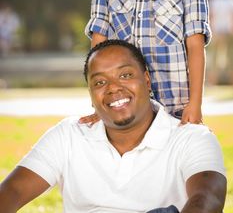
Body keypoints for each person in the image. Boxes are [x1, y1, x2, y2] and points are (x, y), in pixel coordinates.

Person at [0, 40, 226, 213]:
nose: (113, 88)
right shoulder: (68, 134)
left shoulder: (192, 138)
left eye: (125, 75)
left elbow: (208, 199)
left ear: (146, 81)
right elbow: (13, 191)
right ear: (90, 95)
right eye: (99, 82)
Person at [208, 0, 233, 84]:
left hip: (216, 31)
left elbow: (211, 16)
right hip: (228, 32)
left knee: (214, 58)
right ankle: (230, 81)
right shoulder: (231, 1)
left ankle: (213, 81)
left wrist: (211, 32)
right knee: (230, 57)